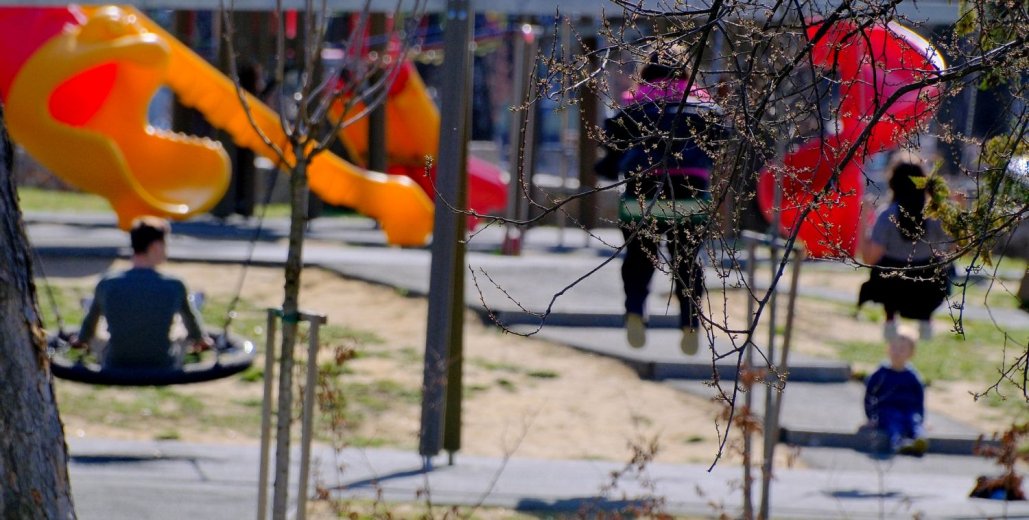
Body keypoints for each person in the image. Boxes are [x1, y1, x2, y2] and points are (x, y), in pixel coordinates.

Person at [595, 48, 722, 355]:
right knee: (687, 262)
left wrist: (607, 167)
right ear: (684, 72)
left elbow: (611, 158)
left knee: (638, 260)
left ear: (646, 73)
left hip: (643, 194)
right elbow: (717, 146)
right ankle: (690, 322)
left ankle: (636, 311)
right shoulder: (702, 107)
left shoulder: (633, 108)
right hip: (690, 194)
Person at [74, 217, 212, 369]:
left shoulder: (107, 282)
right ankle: (197, 301)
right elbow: (192, 326)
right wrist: (202, 341)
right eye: (165, 244)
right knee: (180, 326)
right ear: (156, 246)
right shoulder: (174, 284)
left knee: (99, 324)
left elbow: (88, 327)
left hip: (115, 362)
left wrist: (80, 341)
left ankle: (88, 302)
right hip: (162, 362)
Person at [859, 151, 952, 340]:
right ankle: (926, 323)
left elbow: (869, 258)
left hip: (893, 290)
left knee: (884, 265)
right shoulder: (934, 215)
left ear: (893, 182)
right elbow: (952, 249)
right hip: (928, 290)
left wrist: (863, 219)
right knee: (940, 264)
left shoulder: (887, 216)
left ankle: (890, 321)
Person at [863, 332, 929, 456]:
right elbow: (869, 396)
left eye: (902, 349)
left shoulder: (912, 376)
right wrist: (870, 417)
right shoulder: (881, 374)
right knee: (893, 423)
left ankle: (920, 440)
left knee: (914, 421)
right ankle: (898, 443)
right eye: (894, 348)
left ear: (911, 354)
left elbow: (919, 400)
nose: (897, 352)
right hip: (886, 409)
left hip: (908, 409)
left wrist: (921, 418)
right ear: (887, 349)